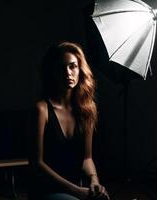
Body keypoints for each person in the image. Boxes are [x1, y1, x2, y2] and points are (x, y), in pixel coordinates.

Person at [28, 41, 110, 200]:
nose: (68, 72)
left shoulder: (87, 110)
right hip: (45, 191)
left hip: (75, 190)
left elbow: (87, 158)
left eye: (73, 66)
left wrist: (94, 181)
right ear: (52, 72)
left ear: (80, 69)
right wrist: (77, 191)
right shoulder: (41, 110)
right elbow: (36, 164)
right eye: (61, 68)